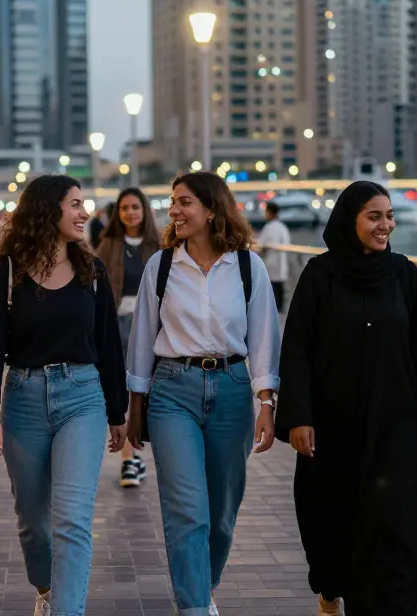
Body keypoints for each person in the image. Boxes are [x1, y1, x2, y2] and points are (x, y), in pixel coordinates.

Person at [275, 181, 417, 616]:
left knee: (393, 531)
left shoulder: (404, 274)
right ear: (350, 220)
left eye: (389, 216)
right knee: (330, 521)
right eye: (374, 216)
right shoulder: (320, 275)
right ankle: (331, 590)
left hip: (395, 427)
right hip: (333, 427)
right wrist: (298, 417)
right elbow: (296, 350)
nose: (385, 224)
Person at [0, 174, 126, 616]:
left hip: (83, 397)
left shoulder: (91, 273)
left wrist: (118, 412)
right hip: (23, 398)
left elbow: (110, 346)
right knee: (34, 522)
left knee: (73, 519)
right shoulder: (9, 271)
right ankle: (46, 589)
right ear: (47, 210)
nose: (84, 213)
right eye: (74, 204)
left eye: (84, 203)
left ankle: (66, 610)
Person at [125, 171, 281, 616]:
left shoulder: (249, 266)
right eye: (173, 202)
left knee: (222, 512)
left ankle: (202, 585)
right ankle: (194, 606)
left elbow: (265, 339)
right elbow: (140, 340)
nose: (174, 211)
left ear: (212, 209)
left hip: (233, 388)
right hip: (173, 389)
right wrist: (136, 403)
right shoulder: (162, 266)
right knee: (186, 507)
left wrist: (266, 403)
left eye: (185, 202)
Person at [95, 187, 160, 488]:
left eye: (135, 207)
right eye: (124, 208)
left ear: (144, 211)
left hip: (151, 327)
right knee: (122, 391)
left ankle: (139, 455)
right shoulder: (109, 245)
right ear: (117, 213)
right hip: (118, 325)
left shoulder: (158, 245)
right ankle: (128, 461)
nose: (130, 212)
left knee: (146, 393)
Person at [258, 201, 292, 311]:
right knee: (280, 291)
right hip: (281, 264)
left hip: (271, 263)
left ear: (270, 213)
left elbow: (260, 245)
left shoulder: (269, 227)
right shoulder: (283, 228)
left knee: (272, 293)